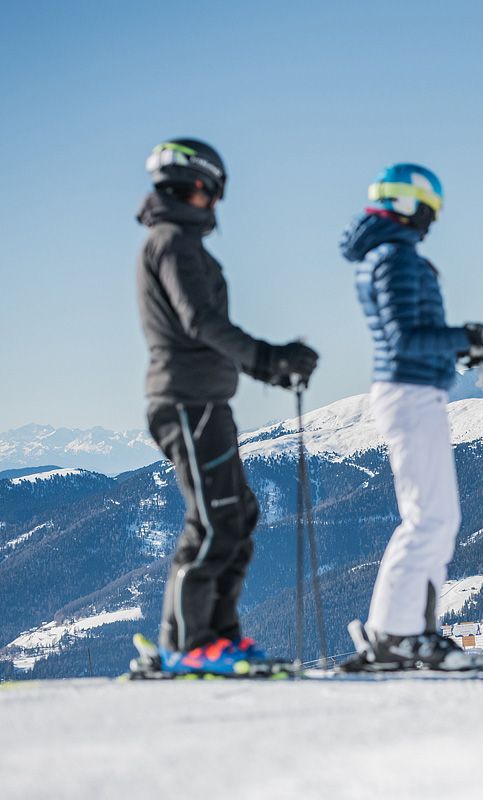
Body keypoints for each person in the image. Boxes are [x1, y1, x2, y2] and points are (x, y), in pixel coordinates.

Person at [136, 138, 319, 674]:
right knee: (215, 520)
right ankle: (190, 646)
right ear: (200, 184)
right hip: (185, 400)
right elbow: (199, 321)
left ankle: (215, 637)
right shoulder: (172, 242)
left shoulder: (180, 243)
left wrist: (266, 364)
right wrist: (266, 359)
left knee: (237, 515)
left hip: (206, 399)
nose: (217, 203)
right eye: (215, 191)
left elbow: (202, 327)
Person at [338, 163, 483, 670]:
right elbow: (405, 339)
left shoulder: (388, 256)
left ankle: (400, 633)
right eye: (429, 210)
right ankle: (401, 634)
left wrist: (462, 346)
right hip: (410, 394)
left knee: (433, 517)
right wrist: (472, 337)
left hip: (412, 389)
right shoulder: (395, 259)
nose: (431, 221)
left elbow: (411, 337)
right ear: (409, 206)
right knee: (430, 517)